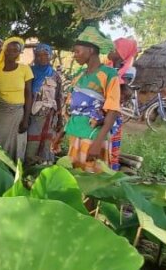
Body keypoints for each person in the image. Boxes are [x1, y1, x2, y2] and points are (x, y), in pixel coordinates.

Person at [60, 26, 120, 173]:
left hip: (93, 137)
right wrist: (61, 134)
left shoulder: (109, 74)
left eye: (77, 51)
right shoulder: (80, 75)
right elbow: (73, 109)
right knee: (74, 176)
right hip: (75, 133)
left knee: (92, 179)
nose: (74, 55)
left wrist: (98, 143)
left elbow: (112, 110)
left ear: (91, 50)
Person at [0, 37, 33, 162]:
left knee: (18, 144)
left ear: (19, 53)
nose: (11, 52)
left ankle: (14, 171)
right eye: (9, 49)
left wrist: (26, 119)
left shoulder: (25, 69)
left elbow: (28, 95)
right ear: (4, 50)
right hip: (0, 113)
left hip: (18, 113)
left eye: (15, 50)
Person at [25, 43, 64, 165]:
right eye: (39, 55)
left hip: (51, 117)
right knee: (32, 143)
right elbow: (26, 94)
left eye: (45, 55)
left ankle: (46, 169)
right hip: (33, 116)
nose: (42, 58)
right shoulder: (29, 72)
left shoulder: (55, 75)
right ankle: (30, 169)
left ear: (50, 56)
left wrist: (60, 119)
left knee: (48, 143)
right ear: (35, 56)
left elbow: (58, 97)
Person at [106, 37, 139, 171]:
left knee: (110, 145)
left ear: (121, 53)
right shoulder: (108, 68)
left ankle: (109, 172)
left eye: (114, 49)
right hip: (100, 115)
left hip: (110, 116)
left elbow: (123, 94)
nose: (110, 50)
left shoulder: (125, 73)